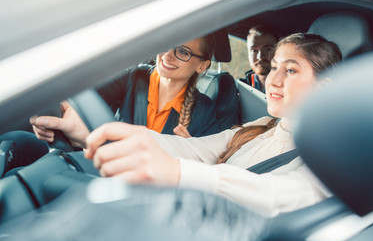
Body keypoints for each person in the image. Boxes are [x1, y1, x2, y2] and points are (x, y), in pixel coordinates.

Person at [84, 33, 343, 217]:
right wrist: (113, 135)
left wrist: (177, 173)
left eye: (290, 70)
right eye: (274, 67)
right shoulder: (262, 126)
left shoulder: (333, 155)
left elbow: (275, 195)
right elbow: (195, 149)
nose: (272, 79)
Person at [30, 36, 220, 149]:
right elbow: (87, 97)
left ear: (202, 65)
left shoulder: (206, 112)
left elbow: (205, 167)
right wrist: (62, 107)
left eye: (183, 52)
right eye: (167, 43)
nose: (167, 55)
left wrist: (186, 152)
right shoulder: (133, 77)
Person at [239, 25, 278, 93]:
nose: (260, 57)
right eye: (254, 50)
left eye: (268, 49)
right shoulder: (239, 88)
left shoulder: (290, 88)